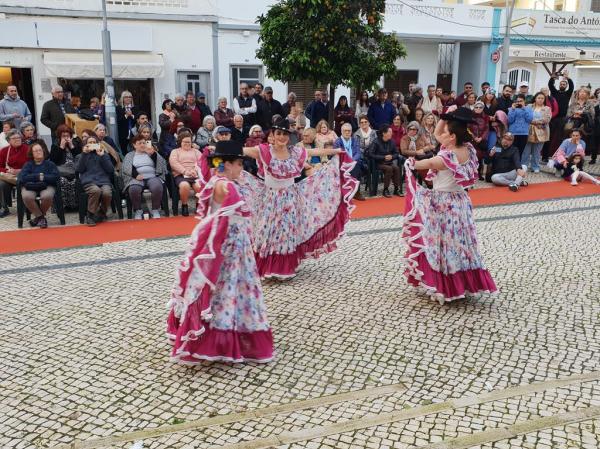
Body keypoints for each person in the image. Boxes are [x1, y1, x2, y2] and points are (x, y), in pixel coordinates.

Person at [167, 140, 274, 364]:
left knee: (223, 293)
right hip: (232, 249)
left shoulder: (216, 181)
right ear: (229, 164)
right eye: (239, 164)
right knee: (231, 292)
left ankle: (217, 336)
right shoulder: (226, 186)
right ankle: (223, 341)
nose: (242, 169)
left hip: (229, 247)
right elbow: (232, 211)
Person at [239, 118, 358, 279]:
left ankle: (283, 267)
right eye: (278, 133)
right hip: (270, 199)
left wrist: (335, 151)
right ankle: (268, 265)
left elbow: (313, 152)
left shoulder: (294, 152)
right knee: (269, 231)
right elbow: (242, 150)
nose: (282, 137)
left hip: (290, 198)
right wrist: (219, 149)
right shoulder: (264, 151)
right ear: (272, 135)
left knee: (286, 232)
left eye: (285, 134)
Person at [402, 105, 497, 303]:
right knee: (460, 243)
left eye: (446, 132)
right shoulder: (468, 149)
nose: (441, 134)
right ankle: (462, 282)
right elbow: (438, 133)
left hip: (444, 204)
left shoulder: (447, 156)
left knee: (443, 243)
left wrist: (412, 163)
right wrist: (447, 117)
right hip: (459, 203)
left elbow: (429, 163)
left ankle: (446, 286)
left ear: (452, 137)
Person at [121, 134, 167, 219]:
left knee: (157, 187)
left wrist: (153, 154)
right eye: (139, 143)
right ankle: (138, 210)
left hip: (152, 176)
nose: (142, 145)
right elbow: (126, 167)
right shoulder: (130, 155)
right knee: (133, 189)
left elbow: (162, 164)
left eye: (144, 143)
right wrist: (136, 175)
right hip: (136, 178)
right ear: (134, 145)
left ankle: (155, 209)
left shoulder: (151, 152)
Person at [17, 140, 59, 228]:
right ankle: (41, 217)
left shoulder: (50, 164)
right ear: (32, 154)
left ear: (43, 151)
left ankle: (37, 218)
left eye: (40, 150)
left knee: (47, 196)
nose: (38, 152)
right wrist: (38, 176)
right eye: (35, 151)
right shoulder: (28, 165)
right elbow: (23, 178)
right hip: (30, 186)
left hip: (47, 185)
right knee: (27, 196)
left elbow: (55, 177)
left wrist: (43, 178)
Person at [75, 134, 114, 226]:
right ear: (86, 145)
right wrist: (84, 154)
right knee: (96, 191)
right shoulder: (80, 156)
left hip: (103, 181)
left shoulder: (104, 154)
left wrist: (102, 156)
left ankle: (101, 213)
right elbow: (79, 169)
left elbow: (110, 170)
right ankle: (90, 215)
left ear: (98, 144)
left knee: (107, 193)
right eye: (90, 142)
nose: (92, 144)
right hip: (89, 181)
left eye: (94, 142)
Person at [169, 131, 201, 216]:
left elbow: (201, 162)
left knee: (199, 186)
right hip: (180, 175)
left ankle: (199, 205)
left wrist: (195, 170)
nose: (187, 144)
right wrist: (185, 171)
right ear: (180, 142)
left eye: (189, 142)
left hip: (194, 174)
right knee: (184, 186)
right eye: (185, 142)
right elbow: (173, 163)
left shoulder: (196, 151)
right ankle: (184, 205)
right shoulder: (175, 151)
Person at [49, 124, 81, 210]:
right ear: (60, 136)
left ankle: (75, 205)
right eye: (64, 136)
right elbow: (53, 161)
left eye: (68, 136)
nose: (66, 138)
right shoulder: (55, 145)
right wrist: (61, 147)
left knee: (75, 181)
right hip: (61, 170)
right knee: (63, 181)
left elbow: (79, 157)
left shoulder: (75, 143)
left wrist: (72, 147)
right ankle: (62, 206)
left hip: (74, 169)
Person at [0, 129, 30, 217]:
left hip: (24, 175)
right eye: (14, 138)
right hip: (10, 177)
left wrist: (20, 170)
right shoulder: (4, 151)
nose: (17, 139)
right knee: (1, 184)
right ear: (8, 141)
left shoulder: (28, 149)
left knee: (24, 183)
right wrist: (7, 171)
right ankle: (4, 207)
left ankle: (27, 205)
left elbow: (33, 164)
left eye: (18, 137)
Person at [334, 123, 366, 200]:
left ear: (351, 132)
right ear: (341, 132)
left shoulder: (354, 140)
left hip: (353, 162)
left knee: (357, 166)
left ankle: (356, 192)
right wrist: (347, 162)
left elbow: (358, 153)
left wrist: (352, 161)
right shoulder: (337, 142)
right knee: (353, 167)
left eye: (349, 131)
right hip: (342, 163)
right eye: (345, 131)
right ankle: (347, 192)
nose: (347, 132)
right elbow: (337, 155)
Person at [370, 124, 403, 198]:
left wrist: (392, 156)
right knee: (389, 168)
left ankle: (396, 189)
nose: (391, 133)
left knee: (396, 168)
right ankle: (385, 189)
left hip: (389, 162)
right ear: (384, 133)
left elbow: (396, 153)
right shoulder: (376, 142)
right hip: (378, 163)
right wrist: (383, 157)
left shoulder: (392, 141)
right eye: (389, 132)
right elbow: (371, 154)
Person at [522, 92, 551, 173]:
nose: (540, 100)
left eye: (542, 98)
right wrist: (535, 122)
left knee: (537, 151)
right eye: (539, 98)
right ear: (535, 98)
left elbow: (547, 119)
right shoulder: (529, 106)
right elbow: (525, 116)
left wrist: (532, 121)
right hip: (529, 131)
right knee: (526, 150)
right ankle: (524, 165)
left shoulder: (547, 108)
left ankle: (535, 166)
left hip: (541, 131)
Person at [469, 101, 490, 179]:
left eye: (480, 107)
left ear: (483, 108)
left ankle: (479, 173)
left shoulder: (486, 117)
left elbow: (487, 129)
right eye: (476, 107)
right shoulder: (470, 116)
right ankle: (471, 173)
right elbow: (468, 128)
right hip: (472, 139)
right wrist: (474, 137)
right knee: (471, 156)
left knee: (480, 157)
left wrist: (481, 138)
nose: (478, 109)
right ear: (474, 108)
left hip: (481, 140)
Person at [116, 91, 138, 155]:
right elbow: (118, 120)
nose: (128, 98)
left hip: (134, 134)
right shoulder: (119, 108)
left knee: (135, 151)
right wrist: (126, 115)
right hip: (123, 134)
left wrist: (132, 115)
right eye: (126, 97)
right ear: (122, 98)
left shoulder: (135, 108)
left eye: (130, 97)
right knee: (124, 152)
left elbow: (138, 119)